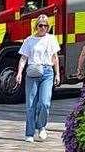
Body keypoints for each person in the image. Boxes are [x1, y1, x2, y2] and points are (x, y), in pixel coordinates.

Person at [16, 14, 61, 143]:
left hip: (47, 72)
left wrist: (57, 74)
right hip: (32, 72)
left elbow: (55, 57)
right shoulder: (29, 40)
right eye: (40, 25)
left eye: (45, 26)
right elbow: (23, 57)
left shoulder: (51, 39)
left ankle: (41, 126)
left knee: (44, 103)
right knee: (31, 105)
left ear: (48, 27)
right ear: (36, 26)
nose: (43, 28)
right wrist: (19, 73)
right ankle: (29, 133)